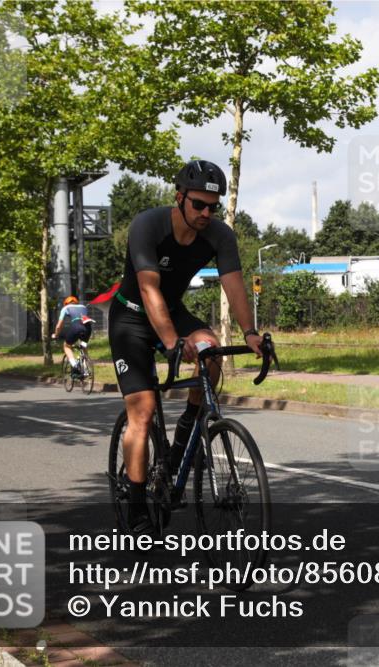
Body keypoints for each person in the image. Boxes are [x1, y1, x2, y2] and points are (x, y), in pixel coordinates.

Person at [109, 159, 263, 534]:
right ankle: (137, 510)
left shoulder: (220, 235)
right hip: (131, 318)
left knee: (210, 351)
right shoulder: (148, 225)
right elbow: (148, 287)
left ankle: (183, 444)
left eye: (213, 206)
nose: (206, 213)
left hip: (173, 312)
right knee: (143, 412)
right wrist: (170, 342)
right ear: (179, 198)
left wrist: (250, 333)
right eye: (198, 204)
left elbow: (234, 284)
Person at [52, 296, 93, 377]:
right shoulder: (83, 307)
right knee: (83, 346)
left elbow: (58, 326)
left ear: (66, 303)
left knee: (66, 346)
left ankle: (75, 366)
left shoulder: (65, 308)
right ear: (76, 302)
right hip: (88, 328)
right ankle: (86, 370)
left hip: (76, 327)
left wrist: (56, 335)